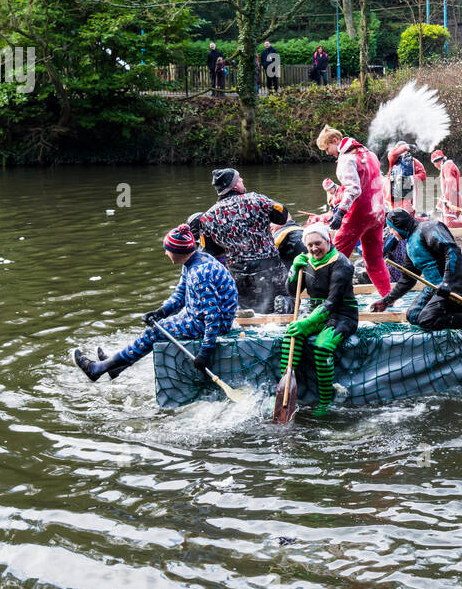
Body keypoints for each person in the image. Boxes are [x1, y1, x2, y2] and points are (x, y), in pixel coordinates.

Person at [73, 224, 237, 381]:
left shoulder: (199, 274)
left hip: (215, 324)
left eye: (167, 249)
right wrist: (161, 312)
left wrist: (205, 352)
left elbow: (213, 316)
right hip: (198, 316)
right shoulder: (194, 260)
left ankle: (97, 369)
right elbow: (180, 295)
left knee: (154, 333)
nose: (165, 253)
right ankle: (116, 367)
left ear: (177, 251)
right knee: (159, 325)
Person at [370, 210, 462, 342]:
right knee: (413, 316)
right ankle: (455, 309)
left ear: (398, 225)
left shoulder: (429, 228)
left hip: (454, 284)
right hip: (434, 287)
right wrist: (386, 301)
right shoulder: (410, 245)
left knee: (426, 320)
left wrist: (447, 282)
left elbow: (451, 251)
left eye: (391, 228)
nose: (390, 232)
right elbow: (408, 279)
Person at [188, 168, 292, 313]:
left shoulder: (207, 217)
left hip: (239, 276)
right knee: (283, 304)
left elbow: (211, 252)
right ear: (235, 185)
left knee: (252, 314)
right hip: (270, 269)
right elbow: (282, 213)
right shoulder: (256, 199)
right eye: (240, 178)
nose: (242, 180)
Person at [284, 222, 358, 416]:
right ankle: (285, 391)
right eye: (310, 245)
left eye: (318, 243)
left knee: (322, 346)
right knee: (291, 336)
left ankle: (326, 401)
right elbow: (292, 292)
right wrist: (293, 271)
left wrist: (306, 322)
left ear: (328, 240)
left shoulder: (341, 263)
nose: (314, 249)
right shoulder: (306, 260)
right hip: (317, 313)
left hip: (342, 314)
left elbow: (332, 302)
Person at [316, 124, 393, 296]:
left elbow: (354, 189)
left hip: (358, 216)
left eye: (327, 148)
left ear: (335, 141)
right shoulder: (370, 154)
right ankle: (388, 297)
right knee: (374, 260)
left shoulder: (346, 159)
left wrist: (340, 213)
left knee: (332, 257)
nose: (327, 152)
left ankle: (326, 298)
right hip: (378, 214)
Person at [430, 148, 462, 230]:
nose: (434, 166)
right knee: (446, 221)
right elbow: (445, 191)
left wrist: (449, 201)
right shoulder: (445, 166)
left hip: (453, 200)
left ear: (436, 161)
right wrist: (437, 208)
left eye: (433, 164)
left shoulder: (447, 165)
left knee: (450, 224)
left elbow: (451, 184)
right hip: (451, 199)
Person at [385, 141, 427, 215]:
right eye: (399, 149)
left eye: (403, 150)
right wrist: (406, 146)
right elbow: (393, 153)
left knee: (407, 214)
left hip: (408, 195)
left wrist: (410, 179)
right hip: (395, 195)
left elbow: (423, 175)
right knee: (394, 215)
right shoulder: (393, 159)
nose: (401, 152)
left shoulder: (414, 162)